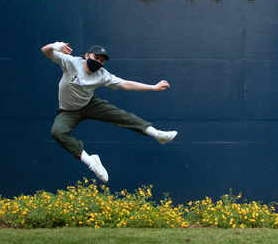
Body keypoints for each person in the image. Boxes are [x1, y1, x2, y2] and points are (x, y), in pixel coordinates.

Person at [41, 41, 177, 182]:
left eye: (102, 61)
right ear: (87, 55)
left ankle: (158, 134)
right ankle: (92, 162)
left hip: (90, 104)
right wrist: (54, 46)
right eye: (96, 58)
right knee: (57, 132)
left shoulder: (101, 74)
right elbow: (46, 51)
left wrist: (153, 87)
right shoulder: (71, 62)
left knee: (120, 116)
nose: (98, 62)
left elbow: (126, 84)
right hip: (68, 111)